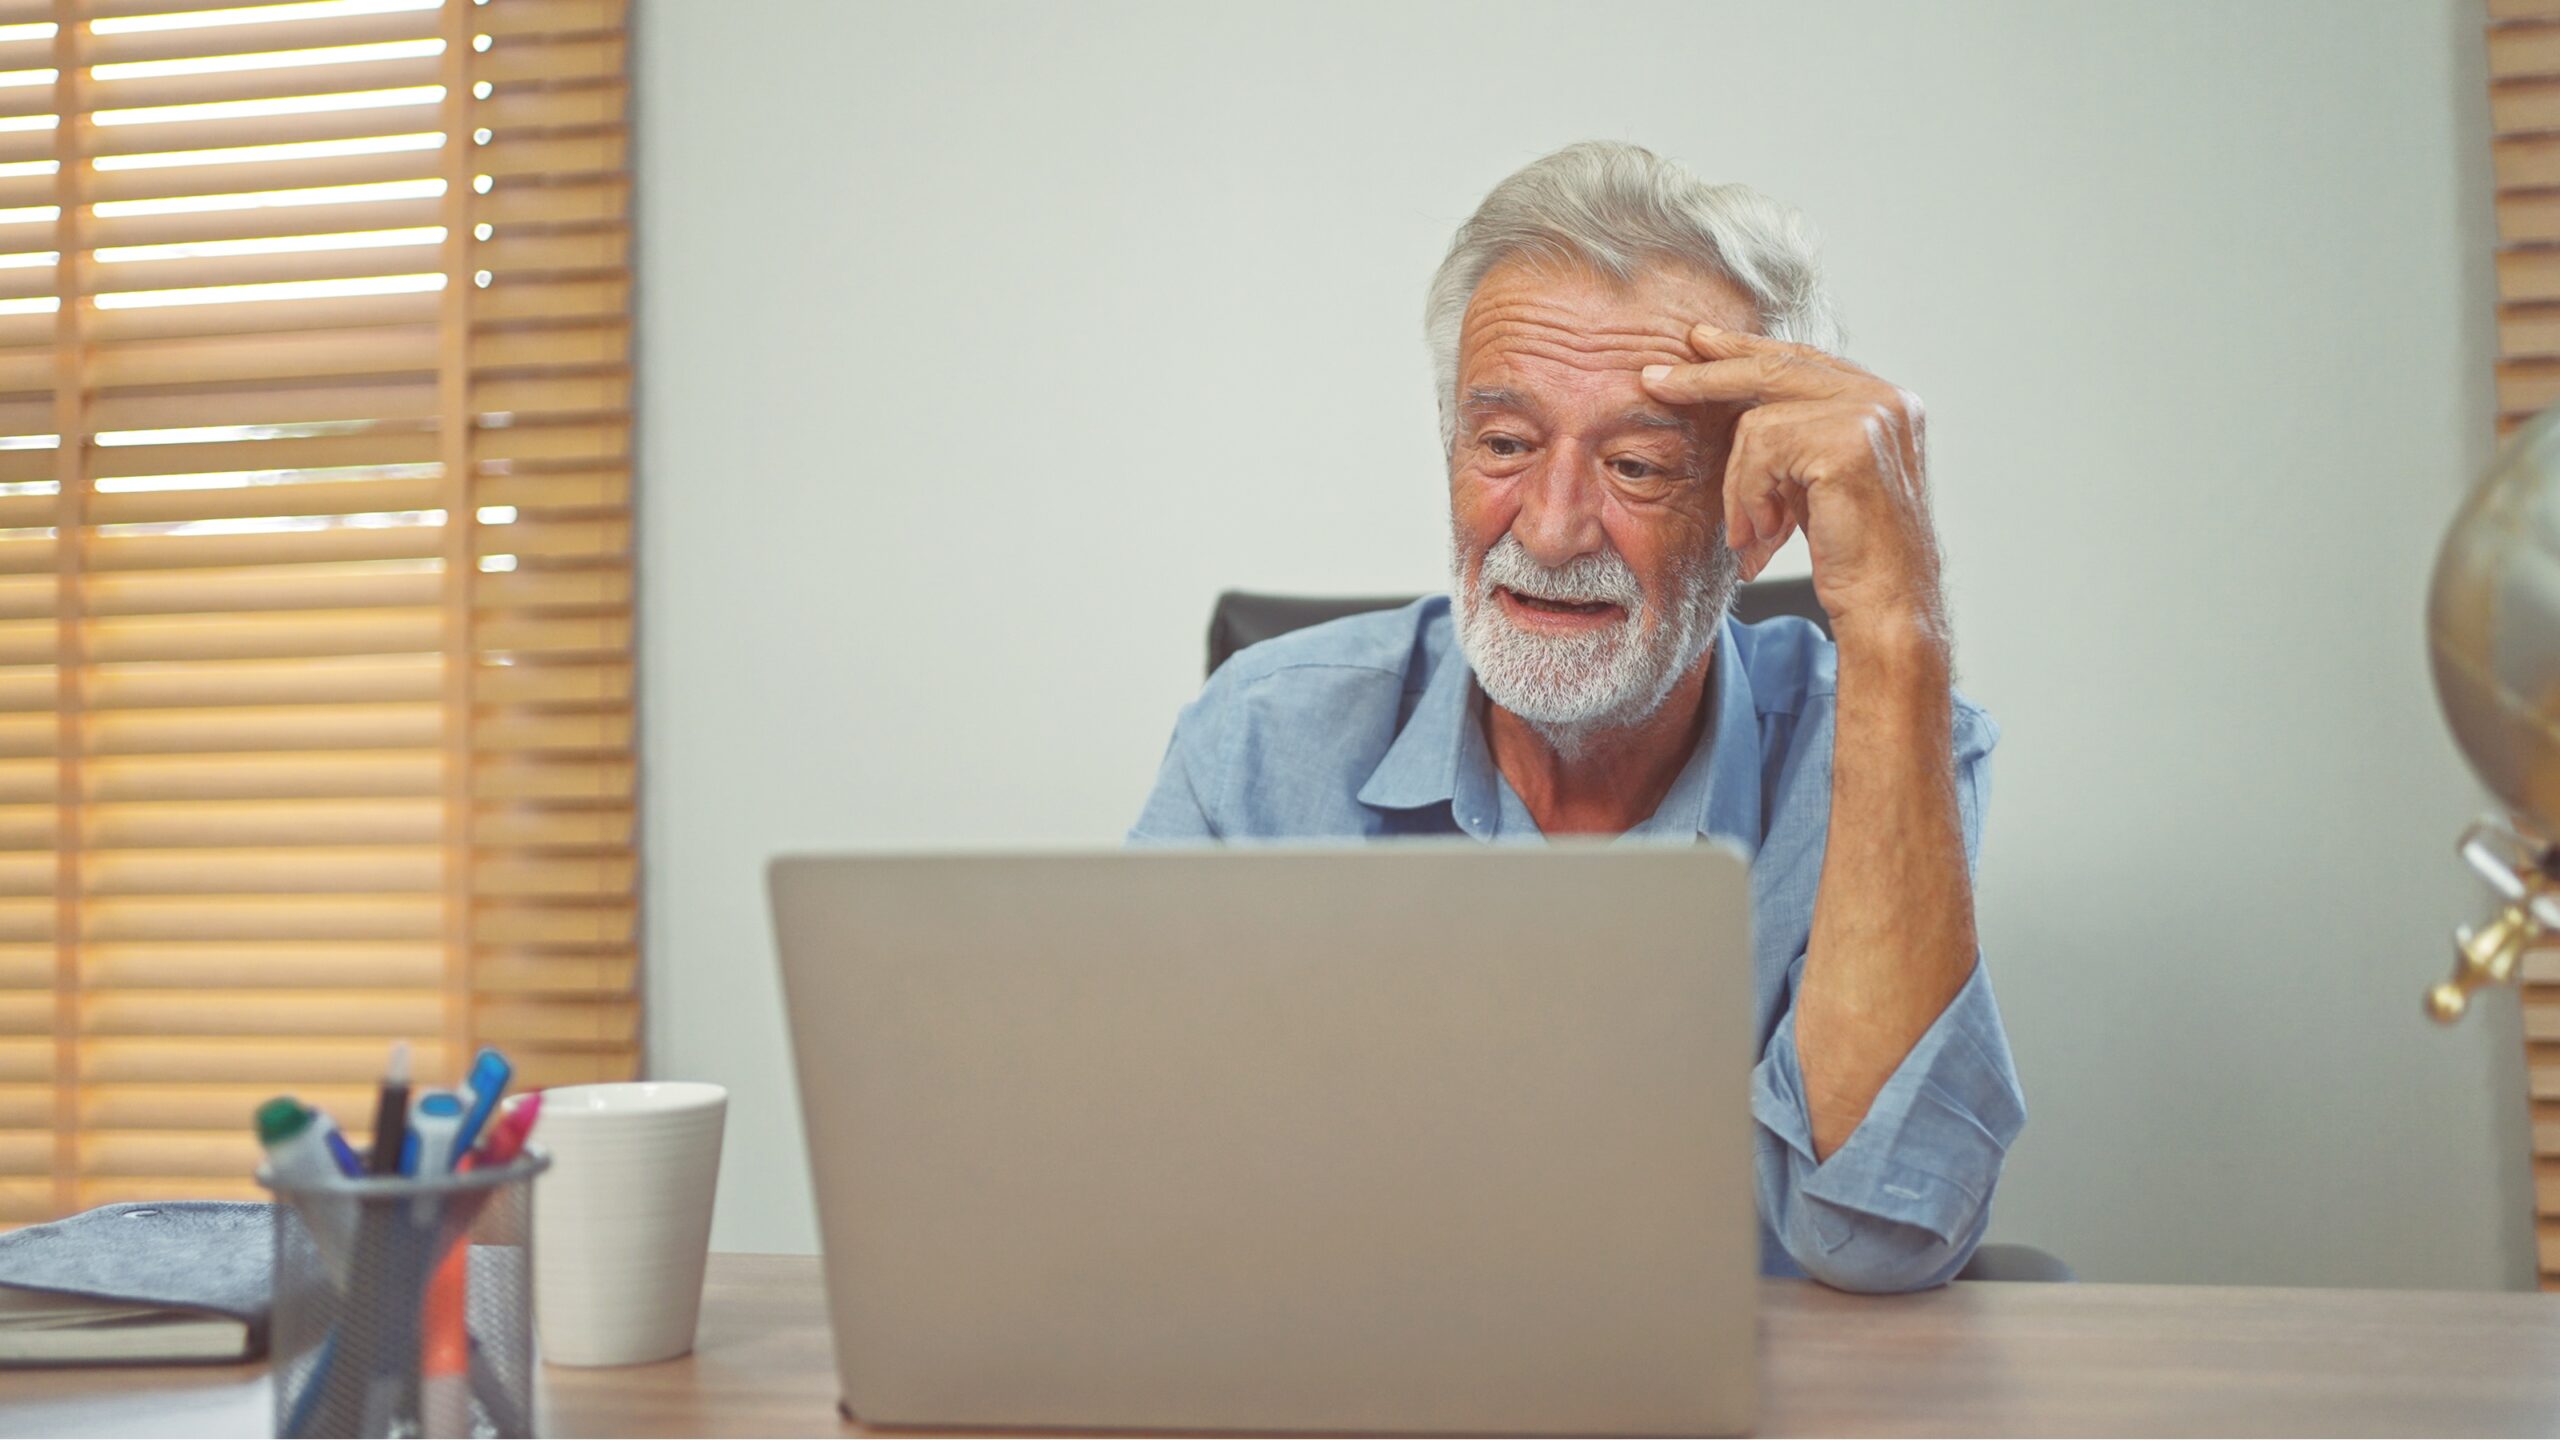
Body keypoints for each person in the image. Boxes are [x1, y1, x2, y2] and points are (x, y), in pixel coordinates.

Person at [1131, 140, 2023, 1294]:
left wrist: (1896, 625)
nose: (1549, 530)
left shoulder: (1883, 750)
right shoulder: (1259, 734)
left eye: (1640, 467)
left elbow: (1879, 1240)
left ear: (1758, 511)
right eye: (1503, 445)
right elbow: (1141, 1201)